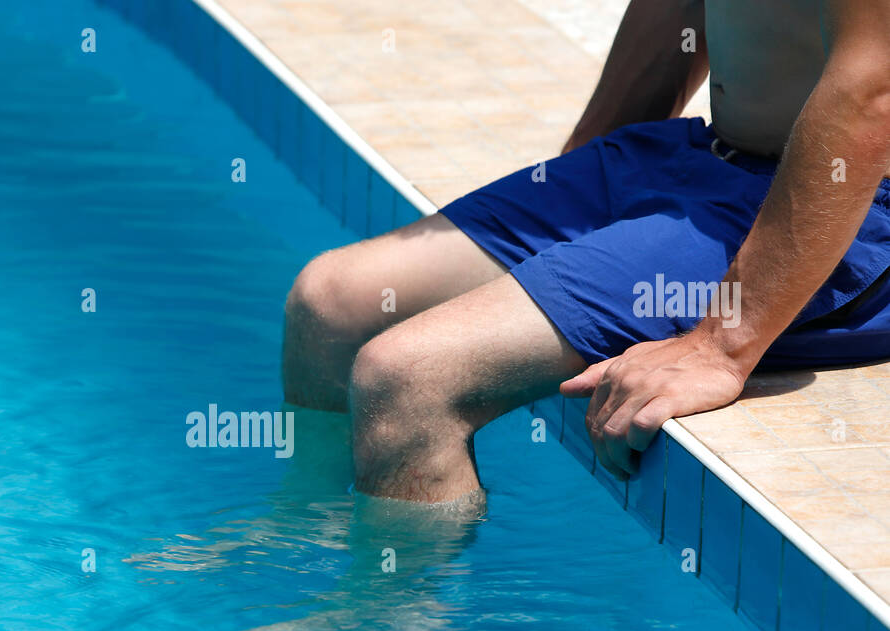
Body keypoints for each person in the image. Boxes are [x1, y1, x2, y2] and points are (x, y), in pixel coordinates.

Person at [282, 0, 890, 506]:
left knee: (409, 378)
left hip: (838, 201)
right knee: (329, 303)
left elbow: (871, 91)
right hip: (706, 159)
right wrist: (574, 178)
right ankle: (306, 548)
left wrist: (722, 344)